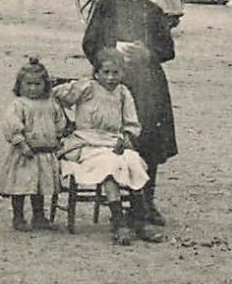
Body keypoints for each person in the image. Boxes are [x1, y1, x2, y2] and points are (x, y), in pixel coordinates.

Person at [80, 0, 178, 227]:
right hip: (114, 81)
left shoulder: (154, 11)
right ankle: (119, 205)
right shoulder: (107, 6)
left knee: (148, 138)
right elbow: (89, 43)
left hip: (147, 84)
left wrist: (148, 52)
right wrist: (112, 52)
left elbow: (168, 50)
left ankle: (146, 202)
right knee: (115, 140)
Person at [53, 49, 156, 245]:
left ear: (122, 73)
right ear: (96, 73)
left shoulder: (123, 93)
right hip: (86, 143)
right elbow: (56, 96)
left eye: (115, 73)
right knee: (109, 165)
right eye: (105, 72)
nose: (110, 78)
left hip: (113, 142)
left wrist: (125, 137)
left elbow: (131, 123)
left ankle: (140, 219)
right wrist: (64, 124)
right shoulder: (87, 88)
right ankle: (118, 222)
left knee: (133, 161)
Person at [0, 56, 66, 231]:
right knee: (21, 185)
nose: (33, 88)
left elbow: (59, 122)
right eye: (28, 84)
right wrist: (20, 142)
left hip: (44, 151)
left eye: (37, 84)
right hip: (25, 152)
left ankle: (39, 216)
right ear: (20, 85)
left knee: (39, 186)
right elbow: (12, 125)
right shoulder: (19, 105)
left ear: (45, 85)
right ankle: (18, 217)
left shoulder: (51, 104)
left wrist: (57, 138)